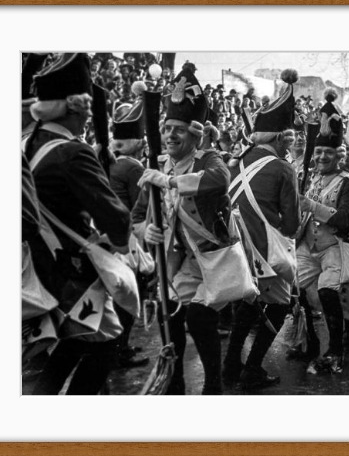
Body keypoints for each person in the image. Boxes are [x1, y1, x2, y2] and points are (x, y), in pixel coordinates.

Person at [24, 53, 132, 395]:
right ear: (74, 107)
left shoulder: (28, 141)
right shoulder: (73, 152)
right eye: (86, 108)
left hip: (39, 264)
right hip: (71, 270)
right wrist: (116, 242)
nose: (89, 115)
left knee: (75, 341)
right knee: (107, 343)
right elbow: (117, 218)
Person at [132, 63, 232, 395]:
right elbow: (137, 216)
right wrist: (147, 233)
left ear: (195, 133)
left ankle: (213, 387)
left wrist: (172, 181)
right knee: (170, 321)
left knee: (200, 322)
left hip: (211, 263)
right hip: (173, 263)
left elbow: (221, 180)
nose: (171, 135)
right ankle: (174, 386)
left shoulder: (208, 159)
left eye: (180, 129)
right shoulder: (157, 165)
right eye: (167, 128)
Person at [223, 68, 301, 390]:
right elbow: (293, 224)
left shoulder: (236, 161)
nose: (291, 145)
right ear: (282, 138)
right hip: (266, 254)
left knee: (247, 304)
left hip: (236, 248)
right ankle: (252, 369)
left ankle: (230, 365)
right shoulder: (284, 169)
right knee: (280, 306)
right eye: (290, 139)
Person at [296, 88, 349, 373]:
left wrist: (310, 205)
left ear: (339, 154)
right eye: (318, 151)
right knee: (293, 290)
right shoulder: (311, 180)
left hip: (335, 247)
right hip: (308, 247)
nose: (321, 156)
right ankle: (308, 341)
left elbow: (346, 220)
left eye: (327, 152)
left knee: (326, 292)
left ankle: (335, 351)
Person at [108, 96, 150, 368]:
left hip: (112, 236)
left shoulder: (112, 161)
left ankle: (117, 347)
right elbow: (142, 206)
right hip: (129, 238)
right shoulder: (133, 166)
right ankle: (119, 350)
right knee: (131, 293)